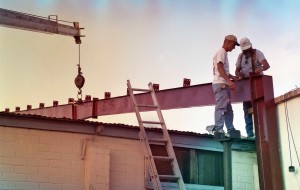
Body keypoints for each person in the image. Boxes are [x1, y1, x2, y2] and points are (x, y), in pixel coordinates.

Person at [235, 37, 270, 138]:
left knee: (259, 107)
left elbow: (266, 65)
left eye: (248, 49)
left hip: (257, 84)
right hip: (246, 86)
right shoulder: (240, 57)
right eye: (245, 50)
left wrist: (260, 68)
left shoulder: (257, 53)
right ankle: (250, 134)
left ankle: (262, 133)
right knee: (246, 109)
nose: (247, 51)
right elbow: (236, 71)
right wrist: (239, 74)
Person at [212, 35, 240, 135]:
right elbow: (220, 67)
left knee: (228, 108)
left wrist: (233, 77)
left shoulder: (222, 53)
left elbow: (222, 69)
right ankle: (219, 129)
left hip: (222, 84)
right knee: (221, 106)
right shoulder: (222, 52)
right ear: (228, 42)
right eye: (233, 45)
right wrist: (229, 81)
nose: (234, 48)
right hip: (221, 84)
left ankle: (230, 129)